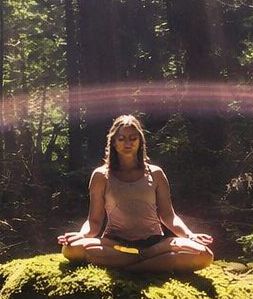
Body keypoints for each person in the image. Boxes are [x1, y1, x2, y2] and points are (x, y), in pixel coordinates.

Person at [58, 114, 215, 272]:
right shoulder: (101, 176)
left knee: (204, 254)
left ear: (140, 141)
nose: (128, 143)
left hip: (154, 245)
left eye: (133, 138)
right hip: (115, 244)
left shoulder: (156, 173)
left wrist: (189, 235)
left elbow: (168, 216)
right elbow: (94, 221)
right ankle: (147, 264)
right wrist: (82, 235)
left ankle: (132, 266)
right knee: (71, 249)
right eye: (121, 139)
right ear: (113, 142)